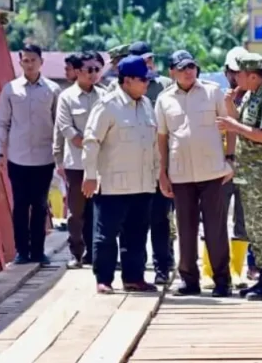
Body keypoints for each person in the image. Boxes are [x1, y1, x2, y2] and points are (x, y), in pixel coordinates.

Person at [156, 50, 234, 297]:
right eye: (182, 68)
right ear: (172, 72)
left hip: (212, 172)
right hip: (180, 174)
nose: (189, 72)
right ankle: (189, 280)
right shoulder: (164, 99)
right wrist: (162, 172)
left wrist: (231, 158)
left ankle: (222, 281)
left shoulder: (212, 92)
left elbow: (229, 126)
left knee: (216, 229)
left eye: (191, 67)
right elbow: (162, 137)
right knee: (185, 230)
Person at [83, 56, 160, 294]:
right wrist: (90, 175)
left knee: (137, 235)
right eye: (142, 80)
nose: (146, 84)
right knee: (106, 235)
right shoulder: (107, 105)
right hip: (113, 185)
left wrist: (158, 176)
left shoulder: (146, 105)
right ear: (126, 81)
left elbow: (154, 144)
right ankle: (104, 279)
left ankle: (134, 277)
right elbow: (91, 141)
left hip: (143, 183)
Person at [217, 53, 262, 301]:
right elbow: (244, 125)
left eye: (240, 74)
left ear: (253, 76)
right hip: (251, 174)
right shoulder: (251, 95)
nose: (235, 78)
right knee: (255, 228)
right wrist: (230, 109)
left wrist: (233, 127)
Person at [0, 44, 62, 265]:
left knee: (40, 204)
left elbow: (58, 124)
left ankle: (38, 251)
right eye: (25, 60)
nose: (29, 64)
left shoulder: (52, 90)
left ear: (41, 62)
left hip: (44, 157)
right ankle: (22, 251)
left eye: (33, 60)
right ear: (20, 62)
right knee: (21, 205)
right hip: (18, 157)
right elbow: (2, 122)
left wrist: (59, 153)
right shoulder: (11, 90)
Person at [118, 41, 176, 285]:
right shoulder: (118, 91)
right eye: (143, 59)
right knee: (132, 222)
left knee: (161, 219)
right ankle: (136, 268)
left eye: (150, 58)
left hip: (159, 161)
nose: (148, 63)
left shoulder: (164, 86)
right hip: (131, 165)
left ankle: (163, 266)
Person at [202, 47, 251, 287]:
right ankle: (209, 270)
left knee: (243, 221)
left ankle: (236, 270)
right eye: (234, 72)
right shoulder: (216, 98)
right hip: (220, 167)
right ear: (226, 72)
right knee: (214, 217)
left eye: (241, 71)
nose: (238, 76)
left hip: (247, 169)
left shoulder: (257, 98)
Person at [55, 52, 106, 269]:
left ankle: (96, 254)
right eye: (89, 70)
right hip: (77, 164)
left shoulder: (105, 95)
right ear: (77, 72)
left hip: (102, 163)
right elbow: (67, 129)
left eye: (97, 70)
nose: (93, 74)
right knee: (77, 211)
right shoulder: (66, 97)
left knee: (100, 209)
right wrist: (90, 144)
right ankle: (76, 252)